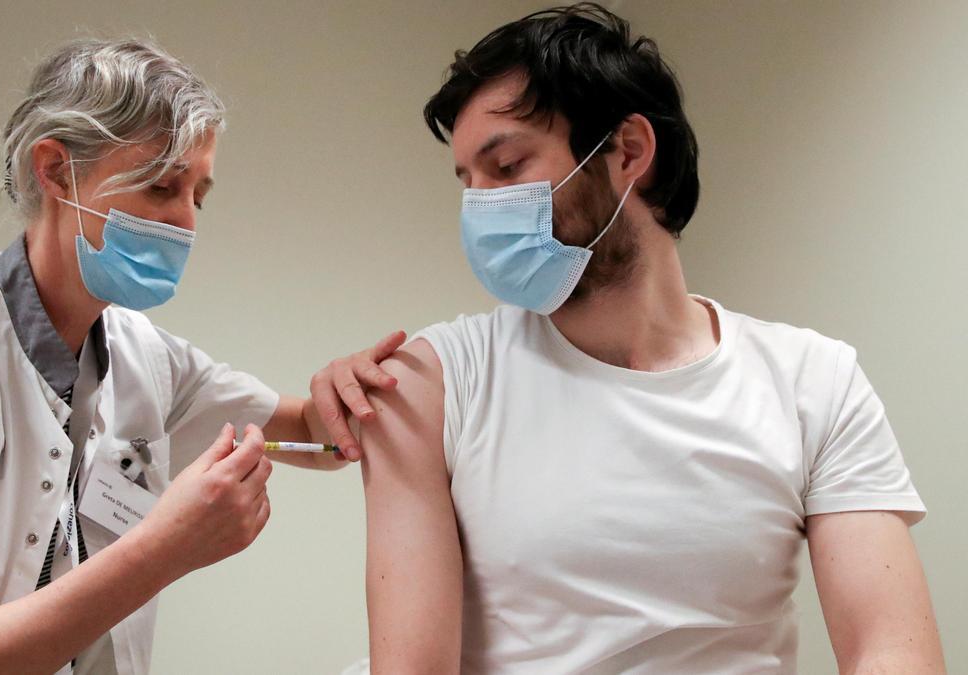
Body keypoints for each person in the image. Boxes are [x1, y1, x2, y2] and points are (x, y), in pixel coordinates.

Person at [0, 38, 400, 675]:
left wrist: (346, 386)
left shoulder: (141, 358)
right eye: (160, 187)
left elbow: (316, 437)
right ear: (55, 169)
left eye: (198, 196)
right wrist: (162, 552)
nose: (186, 223)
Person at [357, 5, 946, 673]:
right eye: (468, 182)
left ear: (628, 151)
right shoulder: (433, 382)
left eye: (507, 166)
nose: (481, 208)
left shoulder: (816, 381)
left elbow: (891, 649)